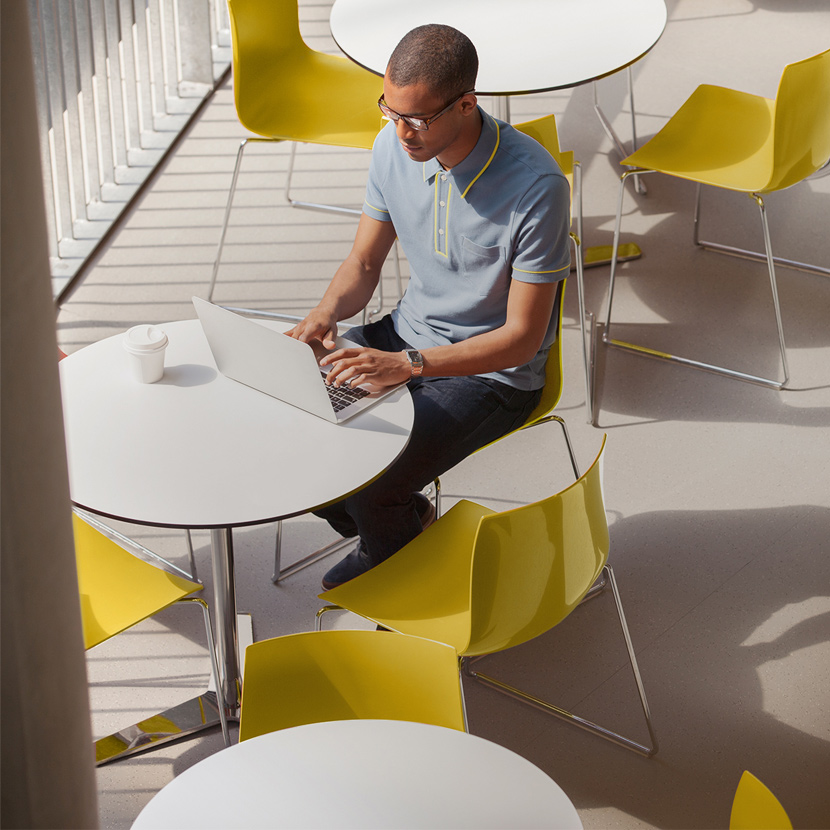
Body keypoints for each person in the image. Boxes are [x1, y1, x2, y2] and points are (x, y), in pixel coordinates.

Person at [288, 23, 571, 590]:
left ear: (466, 104)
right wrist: (325, 315)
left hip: (493, 376)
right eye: (390, 112)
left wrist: (409, 367)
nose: (400, 132)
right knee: (290, 423)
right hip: (406, 334)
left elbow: (520, 338)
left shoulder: (537, 186)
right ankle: (402, 528)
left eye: (415, 119)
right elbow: (365, 264)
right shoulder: (391, 145)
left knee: (370, 480)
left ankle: (398, 577)